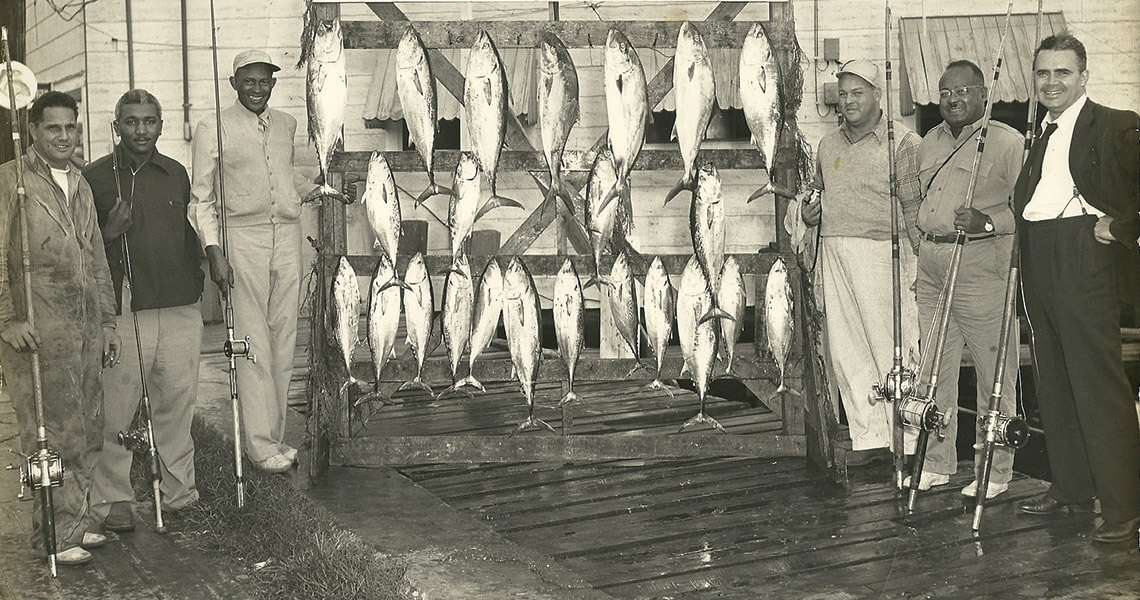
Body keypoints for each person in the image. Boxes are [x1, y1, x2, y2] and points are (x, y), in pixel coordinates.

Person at [1013, 33, 1140, 544]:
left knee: (1097, 384)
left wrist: (1125, 227)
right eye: (1043, 72)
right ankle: (1071, 488)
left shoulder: (1114, 123)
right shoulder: (1041, 131)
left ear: (1084, 76)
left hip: (1083, 254)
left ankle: (1125, 508)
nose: (1051, 82)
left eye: (1063, 72)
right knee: (1055, 382)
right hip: (1039, 255)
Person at [0, 91, 121, 566]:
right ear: (33, 130)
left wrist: (109, 321)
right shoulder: (11, 180)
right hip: (36, 332)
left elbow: (96, 259)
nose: (64, 137)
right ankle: (51, 530)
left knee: (89, 427)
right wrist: (7, 318)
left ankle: (77, 517)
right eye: (54, 128)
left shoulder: (81, 184)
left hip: (86, 329)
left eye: (71, 127)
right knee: (47, 437)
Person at [190, 49, 315, 473]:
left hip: (287, 239)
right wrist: (214, 251)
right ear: (234, 84)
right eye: (249, 81)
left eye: (264, 82)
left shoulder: (286, 124)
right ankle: (259, 447)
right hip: (241, 241)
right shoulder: (213, 128)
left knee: (283, 340)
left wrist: (318, 187)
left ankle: (276, 439)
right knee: (252, 343)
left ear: (273, 85)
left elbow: (284, 175)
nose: (257, 89)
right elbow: (201, 199)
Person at [85, 89, 205, 532]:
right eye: (131, 121)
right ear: (116, 126)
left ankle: (179, 493)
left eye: (149, 121)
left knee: (176, 403)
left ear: (161, 125)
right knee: (116, 409)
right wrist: (108, 231)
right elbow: (79, 246)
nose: (141, 130)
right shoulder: (93, 177)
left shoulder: (175, 172)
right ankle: (113, 499)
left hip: (177, 307)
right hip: (122, 313)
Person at [909, 60, 1023, 496]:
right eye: (945, 92)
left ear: (982, 93)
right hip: (933, 261)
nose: (953, 99)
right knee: (934, 369)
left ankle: (994, 471)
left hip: (980, 265)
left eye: (962, 91)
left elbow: (1025, 209)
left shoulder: (1008, 143)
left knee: (996, 371)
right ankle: (938, 462)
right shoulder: (929, 142)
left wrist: (988, 221)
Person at [802, 59, 923, 465]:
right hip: (835, 253)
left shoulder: (904, 143)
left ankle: (906, 438)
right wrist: (808, 212)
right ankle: (869, 438)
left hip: (883, 256)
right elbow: (815, 193)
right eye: (844, 93)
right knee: (846, 349)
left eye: (858, 93)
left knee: (893, 347)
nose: (849, 101)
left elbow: (914, 208)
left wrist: (923, 266)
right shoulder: (827, 144)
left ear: (877, 94)